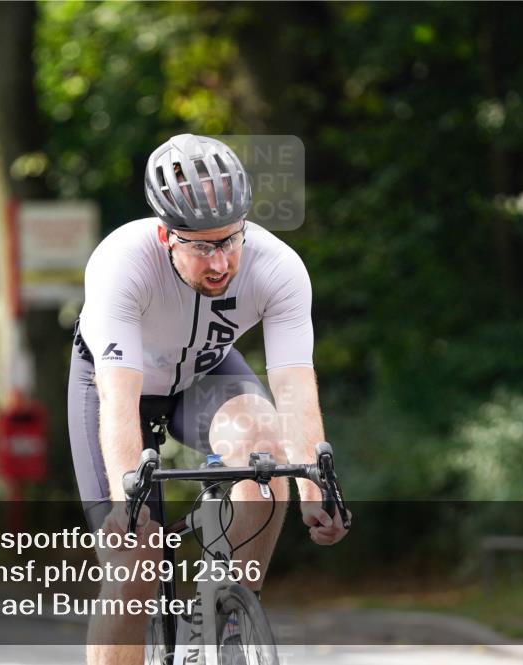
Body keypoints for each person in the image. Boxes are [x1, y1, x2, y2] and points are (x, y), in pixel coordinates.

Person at [67, 134, 349, 665]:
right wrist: (131, 509)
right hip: (116, 388)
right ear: (165, 235)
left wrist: (315, 486)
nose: (220, 262)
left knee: (267, 459)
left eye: (229, 240)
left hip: (204, 373)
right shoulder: (121, 264)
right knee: (135, 564)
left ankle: (232, 619)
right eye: (200, 246)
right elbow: (120, 399)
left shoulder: (278, 267)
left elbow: (293, 387)